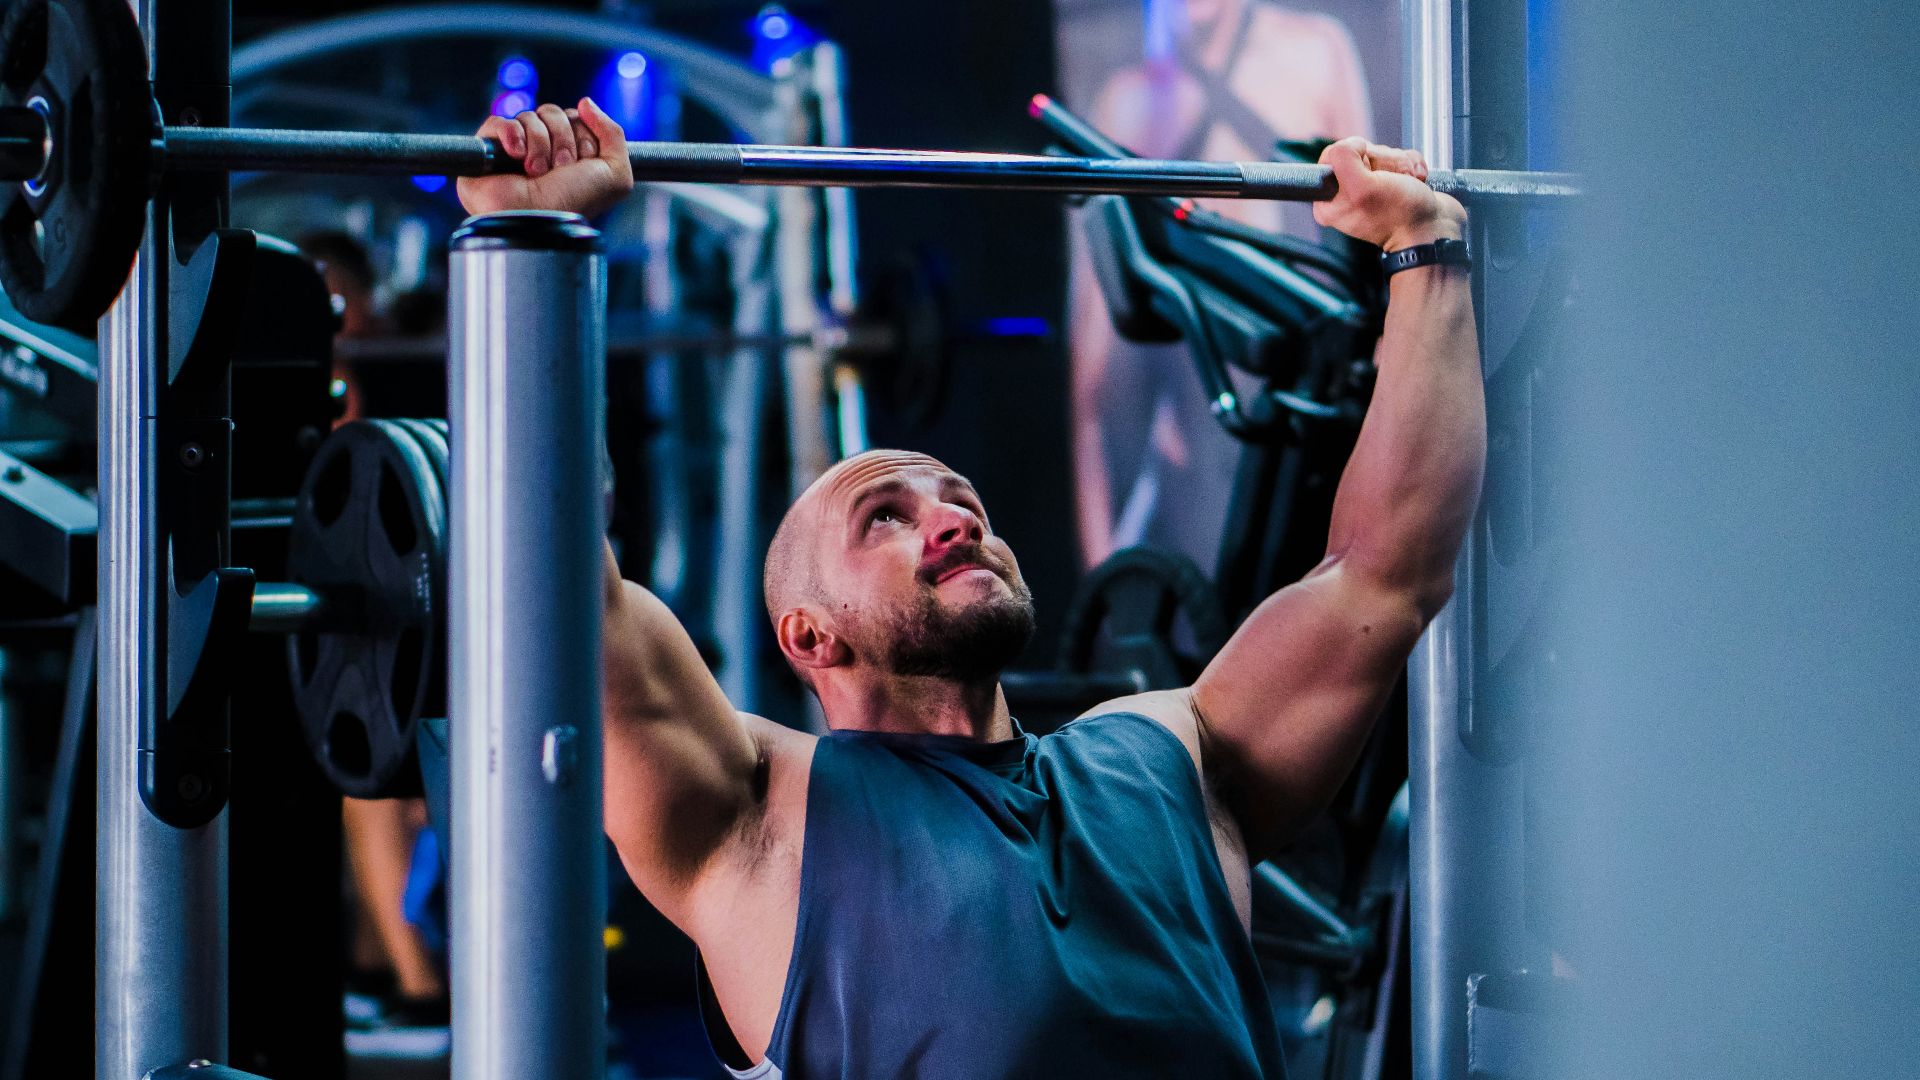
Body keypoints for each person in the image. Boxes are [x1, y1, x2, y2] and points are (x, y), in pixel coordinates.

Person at [462, 98, 1481, 1078]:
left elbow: (1383, 572)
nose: (956, 522)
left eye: (962, 504)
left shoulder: (1175, 760)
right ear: (808, 636)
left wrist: (1422, 247)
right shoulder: (755, 819)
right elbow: (557, 586)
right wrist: (534, 244)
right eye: (885, 518)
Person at [1070, 0, 1375, 571]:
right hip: (1197, 460)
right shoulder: (1132, 101)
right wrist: (1100, 563)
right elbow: (1090, 373)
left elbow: (1372, 250)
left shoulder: (1315, 53)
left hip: (1313, 432)